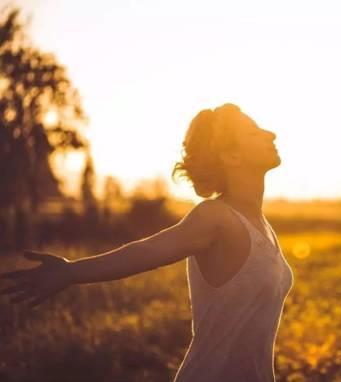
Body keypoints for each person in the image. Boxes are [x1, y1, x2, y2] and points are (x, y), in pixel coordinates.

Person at [0, 103, 294, 382]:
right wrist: (71, 271)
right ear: (232, 157)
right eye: (254, 132)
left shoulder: (262, 225)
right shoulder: (215, 217)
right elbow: (146, 250)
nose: (271, 134)